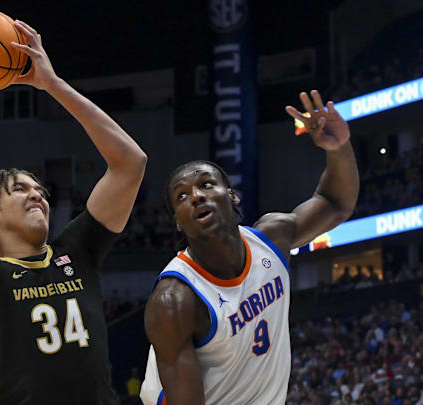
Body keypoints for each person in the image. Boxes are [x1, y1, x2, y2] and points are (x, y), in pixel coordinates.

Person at [0, 20, 147, 405]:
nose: (37, 195)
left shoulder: (77, 249)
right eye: (20, 189)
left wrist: (53, 84)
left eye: (40, 190)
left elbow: (131, 162)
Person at [140, 90, 359, 405]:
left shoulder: (273, 237)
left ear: (232, 196)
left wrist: (338, 148)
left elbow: (336, 203)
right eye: (182, 196)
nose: (197, 196)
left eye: (206, 184)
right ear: (178, 221)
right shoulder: (174, 301)